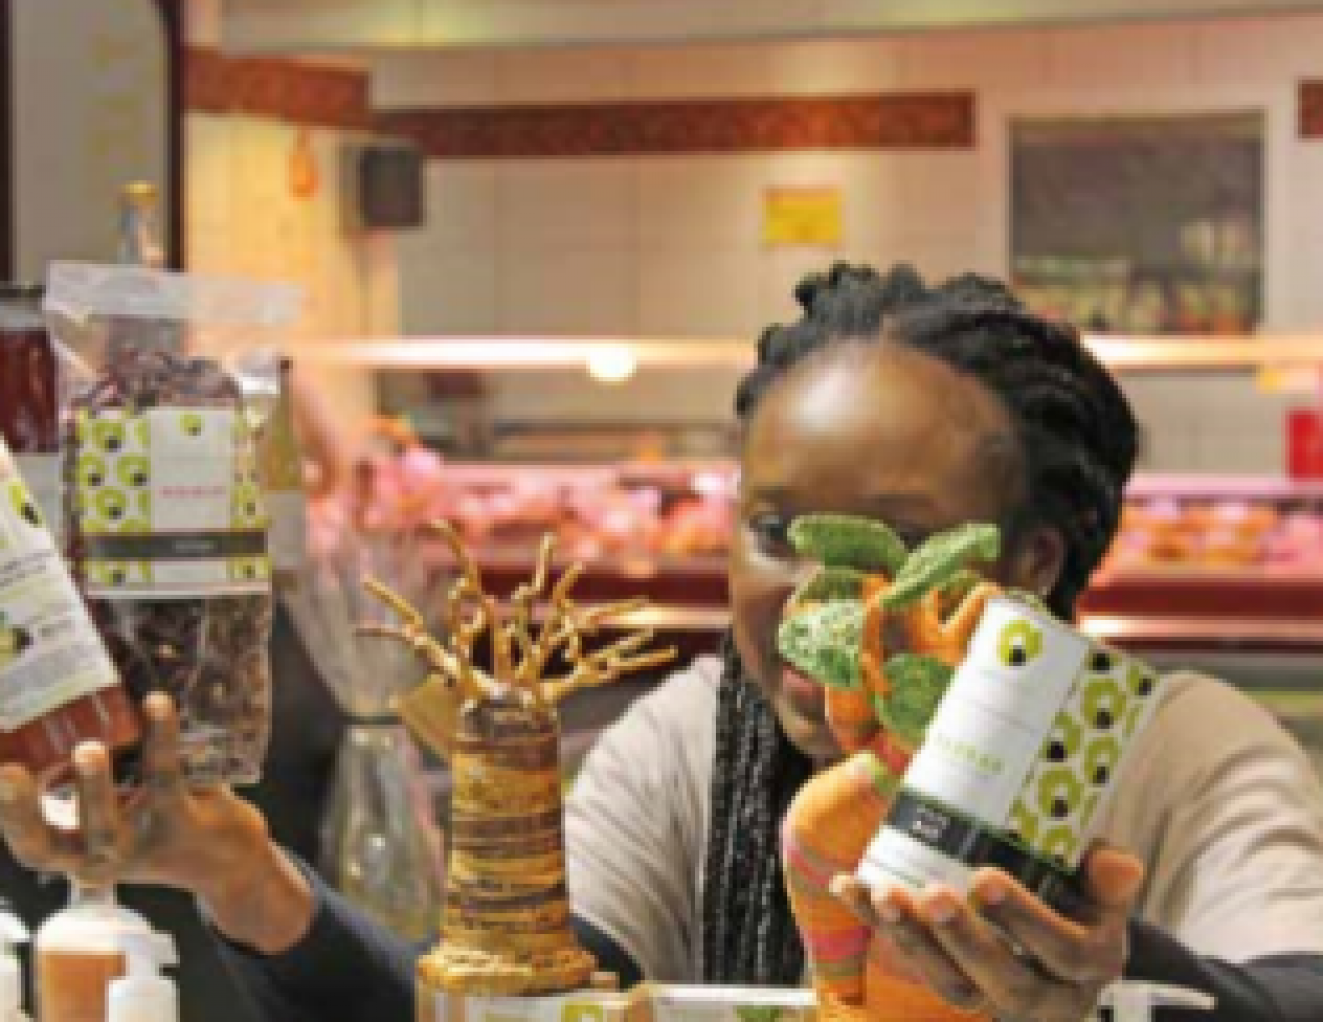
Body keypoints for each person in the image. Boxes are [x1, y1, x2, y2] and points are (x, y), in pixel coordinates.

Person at [4, 264, 1323, 1021]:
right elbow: (526, 1005)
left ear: (1031, 561)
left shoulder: (1173, 744)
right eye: (772, 527)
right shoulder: (695, 735)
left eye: (885, 535)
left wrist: (1119, 974)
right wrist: (253, 880)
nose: (811, 592)